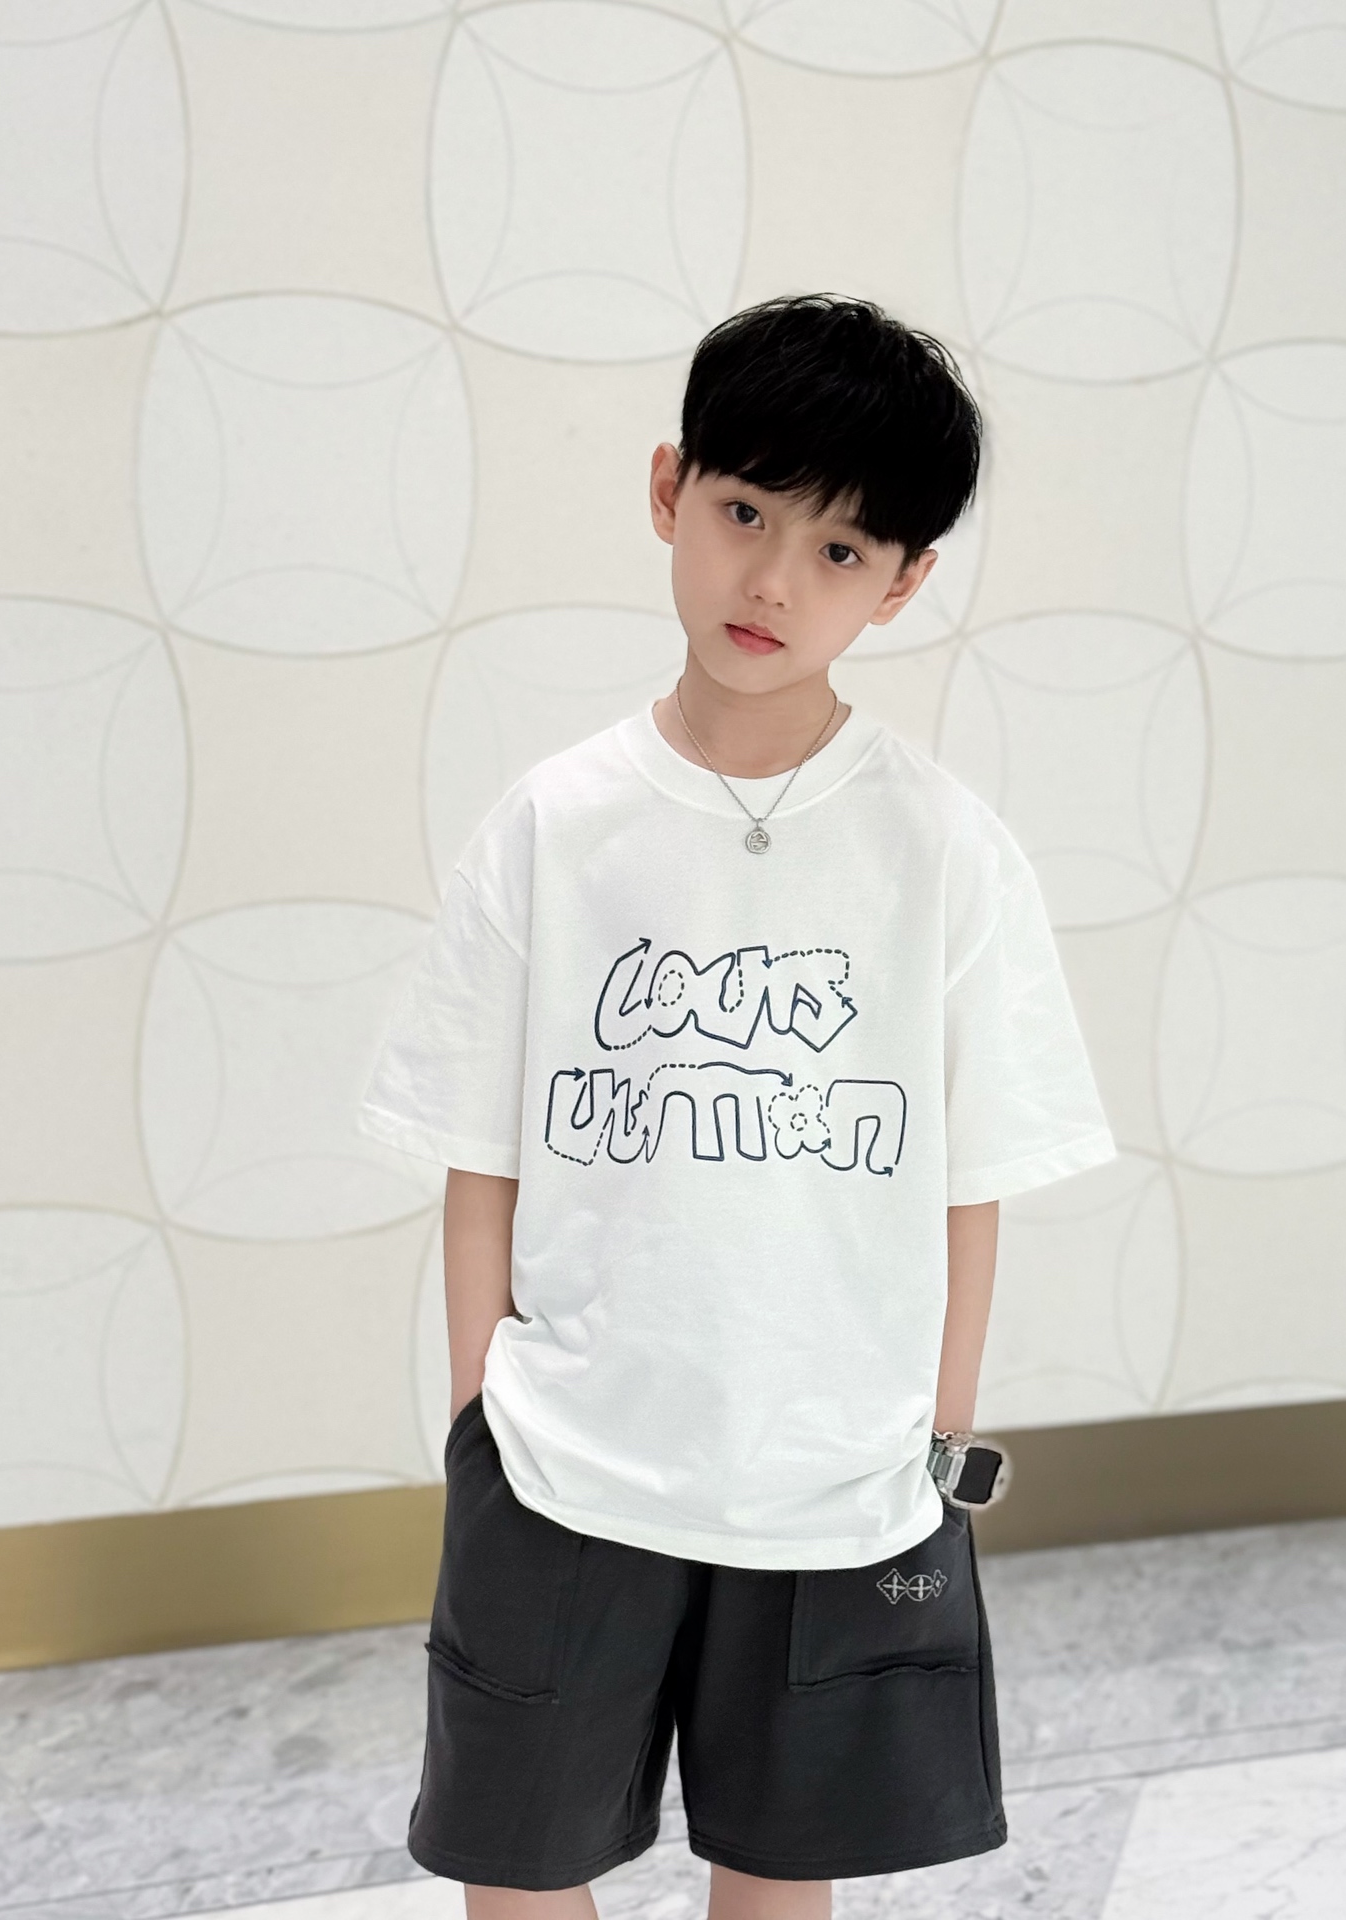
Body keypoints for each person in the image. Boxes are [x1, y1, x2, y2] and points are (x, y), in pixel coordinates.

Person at [357, 292, 1116, 1919]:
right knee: (516, 1858)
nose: (772, 580)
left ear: (903, 583)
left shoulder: (943, 850)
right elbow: (482, 1157)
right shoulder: (557, 824)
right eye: (746, 512)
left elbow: (969, 1178)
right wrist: (482, 1419)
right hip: (565, 1463)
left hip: (834, 1476)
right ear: (668, 491)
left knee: (781, 1871)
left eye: (840, 549)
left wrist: (935, 1441)